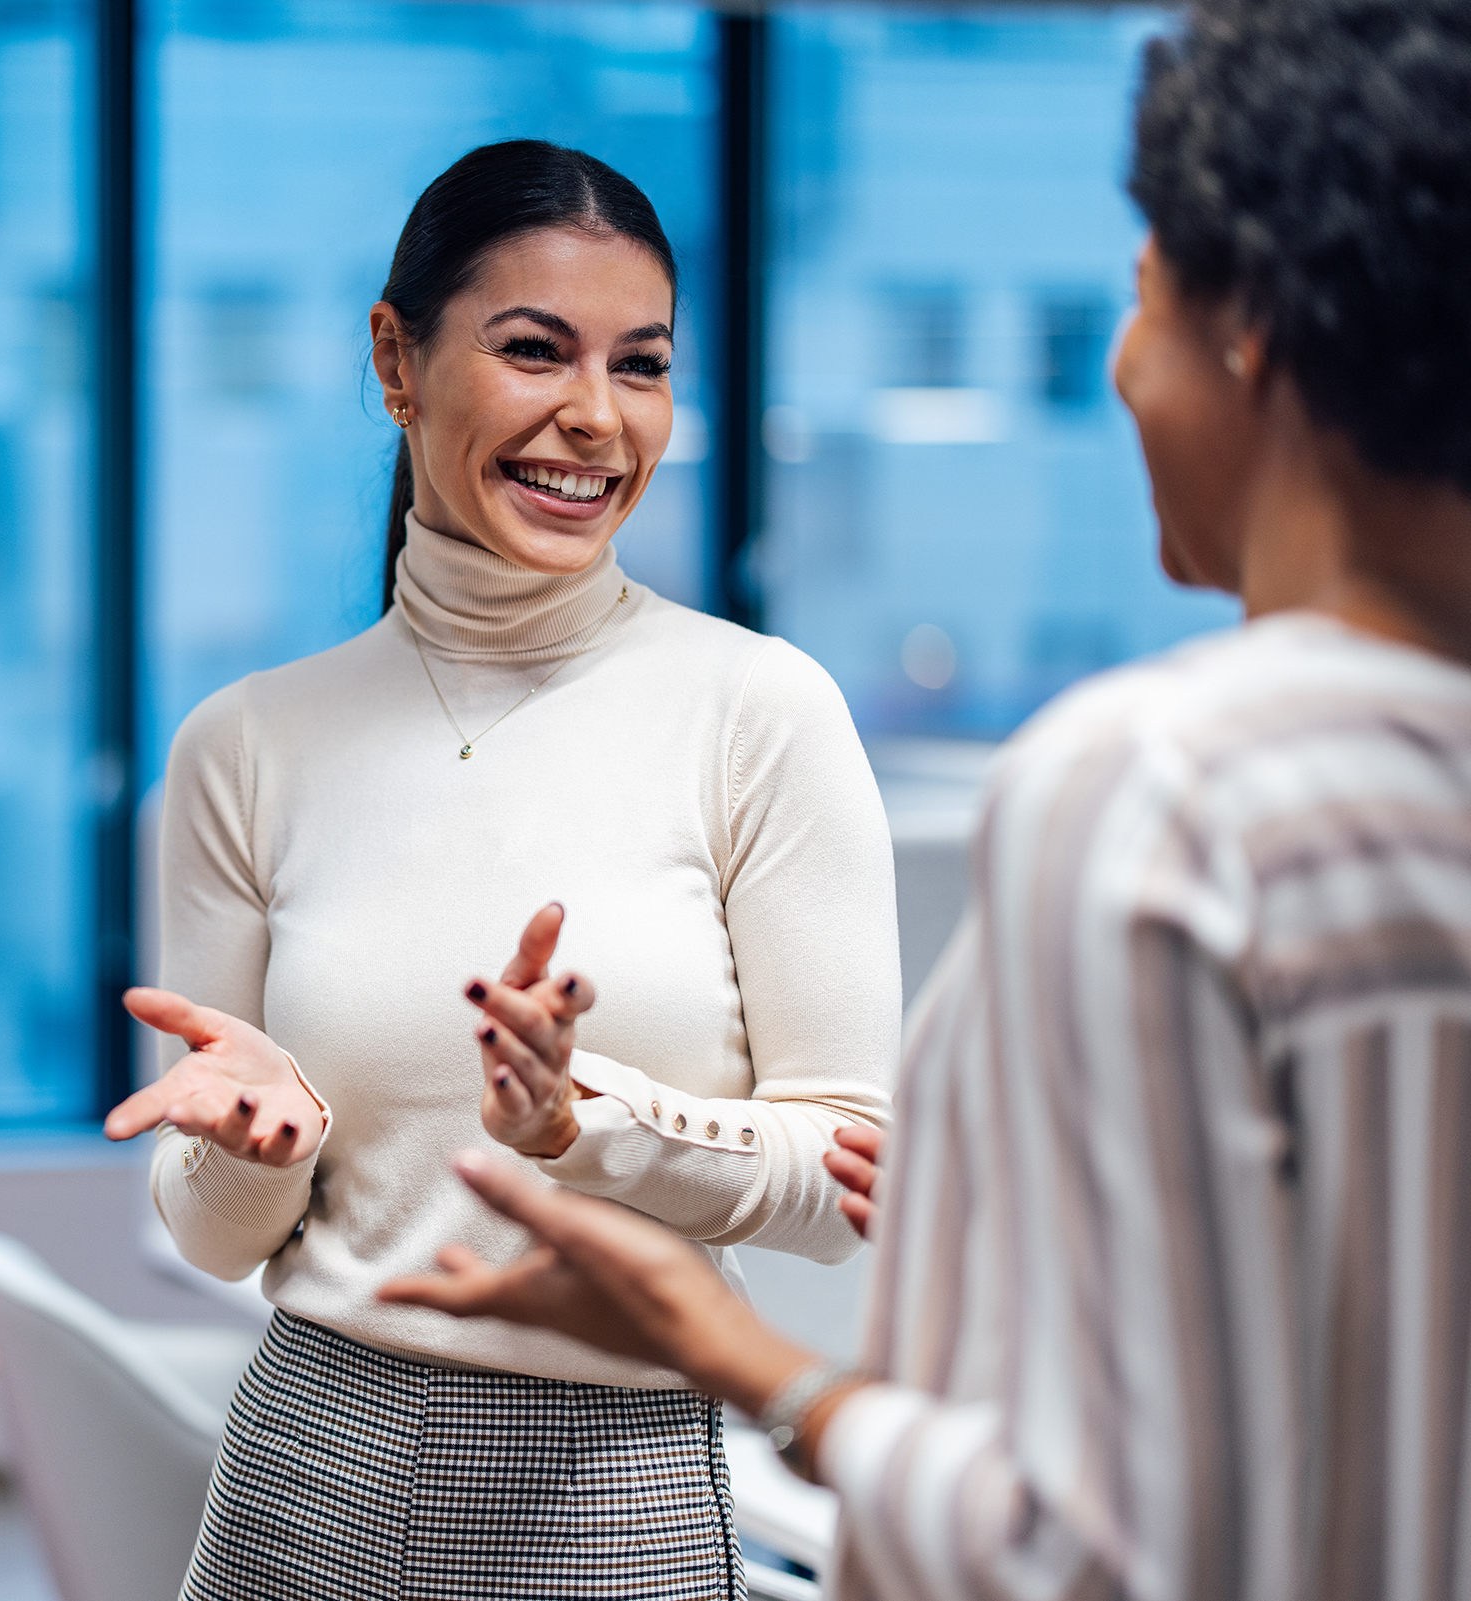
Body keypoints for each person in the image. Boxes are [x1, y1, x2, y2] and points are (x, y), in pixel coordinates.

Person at [384, 1, 1471, 1596]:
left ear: (1254, 329)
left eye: (1140, 297)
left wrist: (747, 1360)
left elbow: (1115, 1555)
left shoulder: (1162, 795)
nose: (1118, 362)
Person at [103, 139, 900, 1599]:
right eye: (533, 351)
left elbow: (850, 1185)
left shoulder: (760, 713)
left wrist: (580, 1122)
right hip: (306, 1461)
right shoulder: (245, 745)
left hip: (615, 1482)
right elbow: (212, 1238)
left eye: (640, 365)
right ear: (397, 362)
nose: (594, 420)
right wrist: (249, 1147)